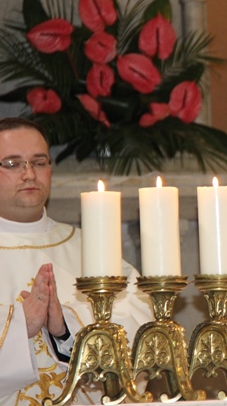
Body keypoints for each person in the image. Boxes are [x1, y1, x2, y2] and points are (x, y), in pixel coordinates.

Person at [0, 117, 153, 404]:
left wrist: (65, 328)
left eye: (39, 162)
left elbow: (143, 331)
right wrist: (20, 325)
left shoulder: (92, 249)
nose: (29, 174)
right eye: (12, 163)